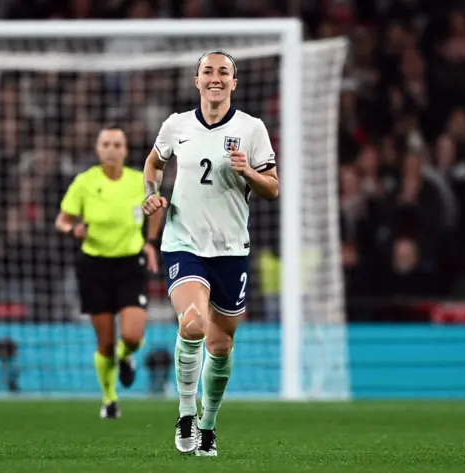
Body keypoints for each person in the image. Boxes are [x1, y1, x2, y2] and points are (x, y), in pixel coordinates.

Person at [142, 50, 279, 456]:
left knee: (220, 346)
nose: (215, 77)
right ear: (196, 80)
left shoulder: (252, 129)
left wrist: (249, 172)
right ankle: (185, 413)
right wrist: (151, 195)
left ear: (234, 83)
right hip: (183, 243)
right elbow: (153, 164)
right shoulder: (176, 125)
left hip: (231, 250)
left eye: (224, 72)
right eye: (208, 71)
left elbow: (272, 187)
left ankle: (208, 424)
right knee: (193, 325)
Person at [56, 125, 162, 419]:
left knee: (131, 335)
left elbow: (157, 208)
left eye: (118, 144)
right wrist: (72, 228)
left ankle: (126, 358)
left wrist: (150, 243)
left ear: (125, 150)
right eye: (106, 144)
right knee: (104, 342)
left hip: (129, 264)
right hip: (94, 266)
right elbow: (62, 220)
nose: (112, 149)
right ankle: (109, 399)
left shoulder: (138, 180)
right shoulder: (84, 182)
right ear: (97, 149)